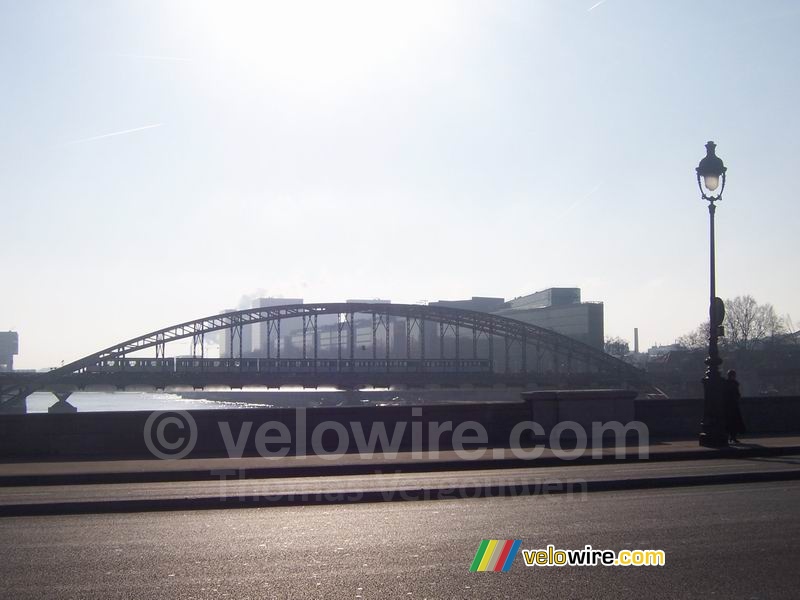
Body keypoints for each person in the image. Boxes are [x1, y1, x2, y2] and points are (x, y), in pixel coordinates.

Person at [723, 370, 746, 443]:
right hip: (732, 405)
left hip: (729, 405)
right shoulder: (734, 384)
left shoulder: (726, 383)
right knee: (734, 422)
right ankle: (732, 437)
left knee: (730, 422)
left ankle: (732, 437)